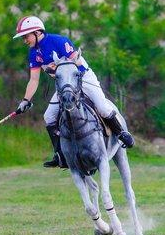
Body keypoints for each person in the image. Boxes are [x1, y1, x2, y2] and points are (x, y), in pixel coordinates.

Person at [13, 15, 134, 168]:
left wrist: (59, 67)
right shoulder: (33, 53)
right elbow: (34, 80)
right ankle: (60, 154)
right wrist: (26, 100)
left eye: (26, 36)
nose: (24, 40)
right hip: (65, 86)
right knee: (48, 116)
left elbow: (76, 61)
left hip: (83, 78)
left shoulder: (59, 41)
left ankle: (121, 134)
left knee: (103, 107)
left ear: (37, 32)